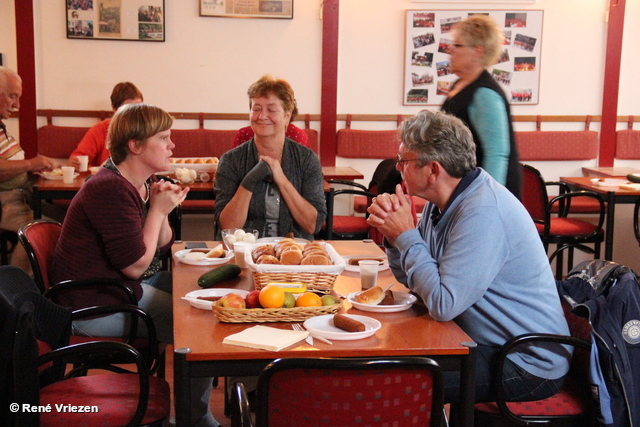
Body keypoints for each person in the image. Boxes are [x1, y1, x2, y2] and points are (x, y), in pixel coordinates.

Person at [366, 110, 571, 410]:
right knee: (387, 360)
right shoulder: (442, 205)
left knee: (401, 379)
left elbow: (442, 304)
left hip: (526, 360)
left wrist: (407, 235)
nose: (397, 169)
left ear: (433, 169)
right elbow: (417, 281)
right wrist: (395, 236)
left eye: (403, 160)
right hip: (482, 341)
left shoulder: (483, 211)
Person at [51, 103, 218, 427]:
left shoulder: (137, 181)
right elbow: (135, 267)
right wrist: (156, 211)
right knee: (202, 328)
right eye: (164, 138)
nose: (172, 146)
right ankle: (196, 420)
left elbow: (162, 245)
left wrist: (163, 209)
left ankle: (193, 414)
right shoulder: (109, 188)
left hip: (116, 291)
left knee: (201, 289)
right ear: (136, 145)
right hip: (93, 309)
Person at [214, 75, 326, 240]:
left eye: (271, 110)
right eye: (256, 108)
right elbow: (229, 228)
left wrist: (281, 179)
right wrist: (249, 180)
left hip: (293, 254)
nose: (262, 116)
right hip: (245, 253)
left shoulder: (306, 159)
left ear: (287, 116)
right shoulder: (231, 160)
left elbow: (312, 224)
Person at [441, 15, 522, 199]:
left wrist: (487, 202)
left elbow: (496, 154)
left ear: (477, 51)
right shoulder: (459, 85)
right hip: (463, 188)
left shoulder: (485, 94)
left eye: (457, 46)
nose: (450, 51)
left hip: (485, 195)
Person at [0, 66, 56, 272]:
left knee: (68, 219)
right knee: (39, 231)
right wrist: (32, 164)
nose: (17, 104)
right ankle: (16, 292)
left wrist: (32, 170)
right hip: (5, 203)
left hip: (24, 196)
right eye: (12, 96)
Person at [68, 82, 143, 169]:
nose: (135, 113)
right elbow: (80, 157)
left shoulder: (148, 130)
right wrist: (75, 163)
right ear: (115, 109)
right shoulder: (100, 130)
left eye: (139, 107)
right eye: (128, 109)